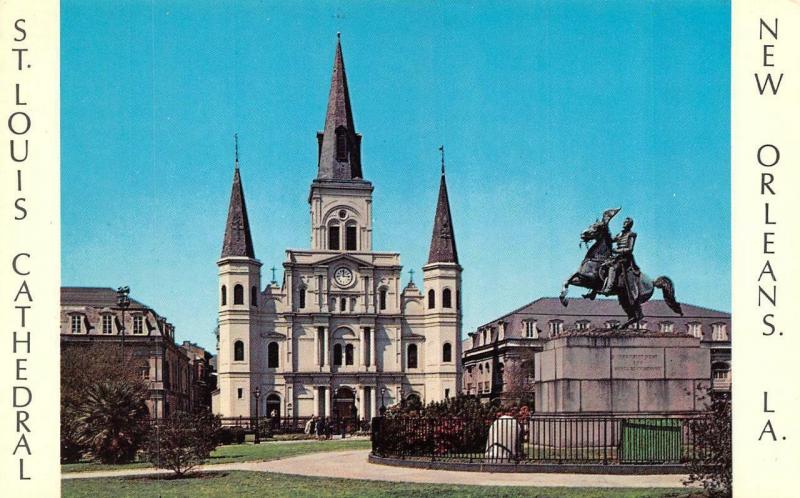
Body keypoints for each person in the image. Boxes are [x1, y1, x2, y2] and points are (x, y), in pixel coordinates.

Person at [601, 217, 637, 295]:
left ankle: (609, 288)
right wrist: (606, 229)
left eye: (626, 222)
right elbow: (610, 240)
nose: (624, 223)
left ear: (630, 224)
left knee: (612, 268)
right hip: (616, 257)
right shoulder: (620, 234)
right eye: (624, 221)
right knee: (602, 265)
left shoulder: (632, 234)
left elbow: (630, 249)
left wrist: (617, 251)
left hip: (625, 258)